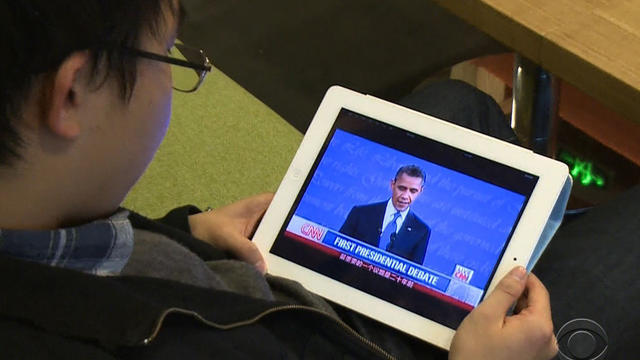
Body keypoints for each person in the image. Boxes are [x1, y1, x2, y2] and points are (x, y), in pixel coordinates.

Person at [0, 1, 559, 359]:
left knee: (456, 100)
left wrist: (183, 232)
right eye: (168, 55)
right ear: (73, 93)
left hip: (280, 301)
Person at [339, 165, 431, 264]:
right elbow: (336, 249)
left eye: (413, 191)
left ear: (420, 191)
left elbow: (412, 272)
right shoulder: (360, 213)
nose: (405, 196)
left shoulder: (422, 230)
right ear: (392, 184)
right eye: (401, 188)